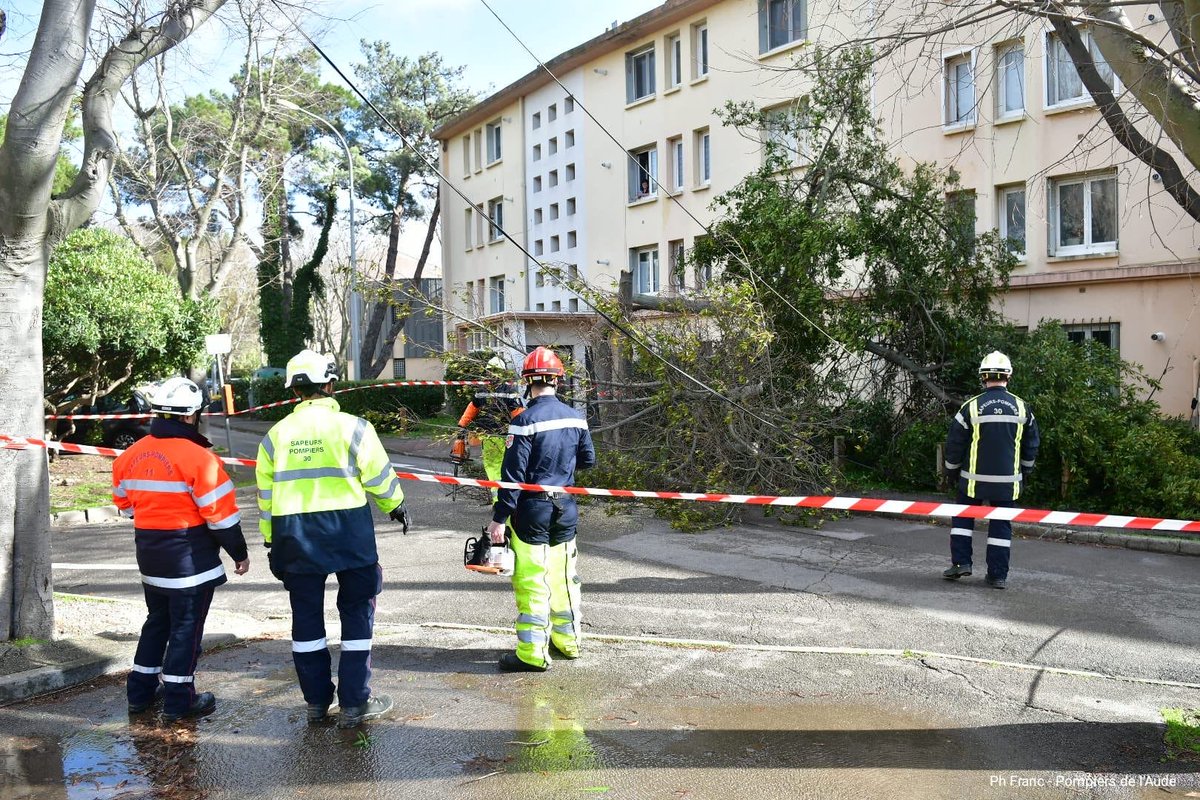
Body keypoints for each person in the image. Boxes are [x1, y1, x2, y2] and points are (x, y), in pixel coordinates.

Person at [255, 349, 410, 728]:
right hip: (348, 533)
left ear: (294, 391)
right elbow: (379, 477)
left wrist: (271, 541)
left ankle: (316, 702)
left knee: (306, 618)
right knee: (357, 613)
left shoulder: (275, 437)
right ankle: (355, 702)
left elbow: (265, 497)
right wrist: (396, 506)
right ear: (330, 385)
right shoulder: (354, 428)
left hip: (294, 537)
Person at [112, 377, 249, 722]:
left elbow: (126, 507)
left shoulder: (129, 455)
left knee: (157, 624)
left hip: (150, 558)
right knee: (186, 630)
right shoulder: (201, 459)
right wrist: (239, 553)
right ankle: (179, 700)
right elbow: (220, 518)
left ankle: (140, 693)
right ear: (190, 416)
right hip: (190, 563)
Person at [485, 346, 596, 672]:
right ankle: (569, 642)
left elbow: (513, 478)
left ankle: (532, 654)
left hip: (531, 512)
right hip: (565, 507)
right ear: (558, 381)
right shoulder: (576, 417)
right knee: (564, 577)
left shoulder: (523, 422)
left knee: (533, 580)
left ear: (527, 382)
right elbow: (588, 460)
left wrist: (499, 519)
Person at [942, 351, 1040, 589]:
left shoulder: (971, 407)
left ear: (983, 376)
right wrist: (1026, 471)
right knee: (1000, 527)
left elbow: (955, 444)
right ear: (1009, 376)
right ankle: (997, 576)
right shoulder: (1022, 408)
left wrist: (950, 471)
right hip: (1007, 483)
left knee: (963, 519)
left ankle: (961, 563)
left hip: (972, 482)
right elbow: (1031, 445)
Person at [457, 355, 524, 501]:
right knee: (506, 468)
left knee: (493, 468)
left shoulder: (483, 391)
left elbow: (472, 409)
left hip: (489, 437)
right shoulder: (509, 390)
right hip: (506, 437)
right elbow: (518, 415)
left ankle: (499, 501)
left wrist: (461, 426)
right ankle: (508, 500)